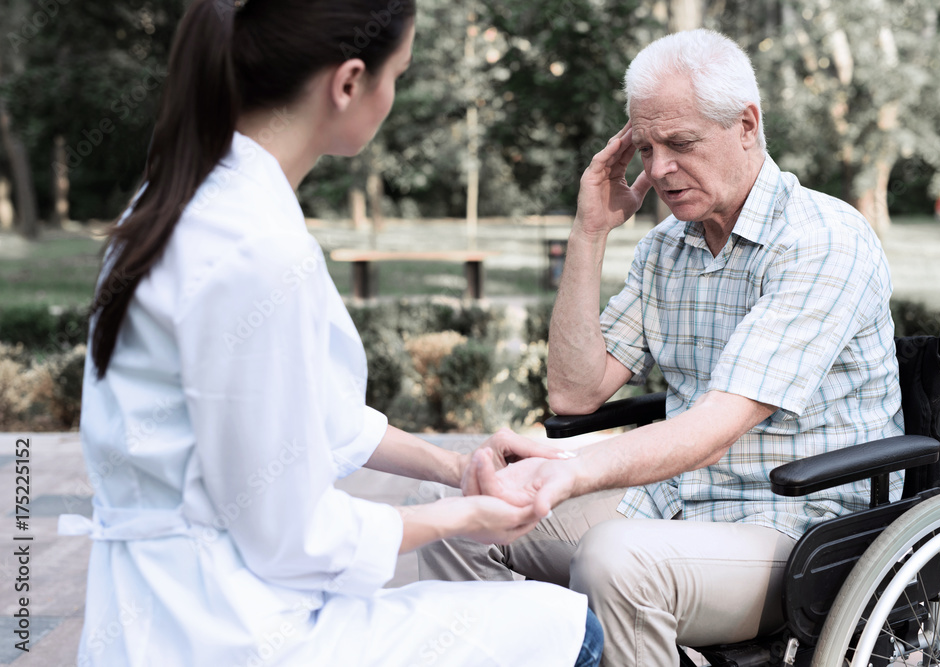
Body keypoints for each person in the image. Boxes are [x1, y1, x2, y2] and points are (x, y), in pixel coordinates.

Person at [58, 1, 604, 665]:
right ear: (348, 83)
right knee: (571, 631)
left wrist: (460, 468)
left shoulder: (182, 200)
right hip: (228, 630)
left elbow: (315, 416)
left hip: (169, 611)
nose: (393, 97)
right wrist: (470, 517)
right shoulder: (255, 248)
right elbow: (293, 536)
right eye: (395, 75)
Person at [418, 28, 903, 666]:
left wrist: (569, 469)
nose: (658, 170)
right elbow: (575, 390)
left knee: (618, 561)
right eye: (645, 147)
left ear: (747, 125)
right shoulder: (667, 248)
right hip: (677, 500)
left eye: (680, 143)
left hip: (804, 526)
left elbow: (714, 428)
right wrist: (589, 232)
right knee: (461, 521)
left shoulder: (823, 240)